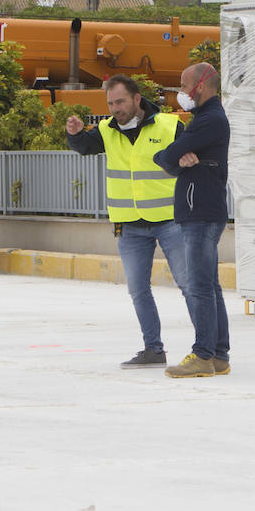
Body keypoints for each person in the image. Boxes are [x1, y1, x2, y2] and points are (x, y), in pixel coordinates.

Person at [66, 75, 188, 369]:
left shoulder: (170, 126)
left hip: (170, 220)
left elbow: (192, 157)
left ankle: (207, 348)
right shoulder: (107, 130)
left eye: (120, 102)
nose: (115, 108)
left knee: (190, 284)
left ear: (136, 99)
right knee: (138, 289)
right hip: (130, 225)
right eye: (110, 103)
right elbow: (85, 147)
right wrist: (75, 134)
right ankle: (153, 349)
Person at [153, 62, 231, 378]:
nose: (182, 92)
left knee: (199, 286)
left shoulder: (209, 119)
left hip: (200, 212)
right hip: (202, 210)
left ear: (200, 85)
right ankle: (219, 355)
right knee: (209, 285)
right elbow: (168, 158)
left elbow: (170, 155)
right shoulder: (204, 119)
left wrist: (176, 157)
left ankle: (203, 355)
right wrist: (177, 158)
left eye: (185, 85)